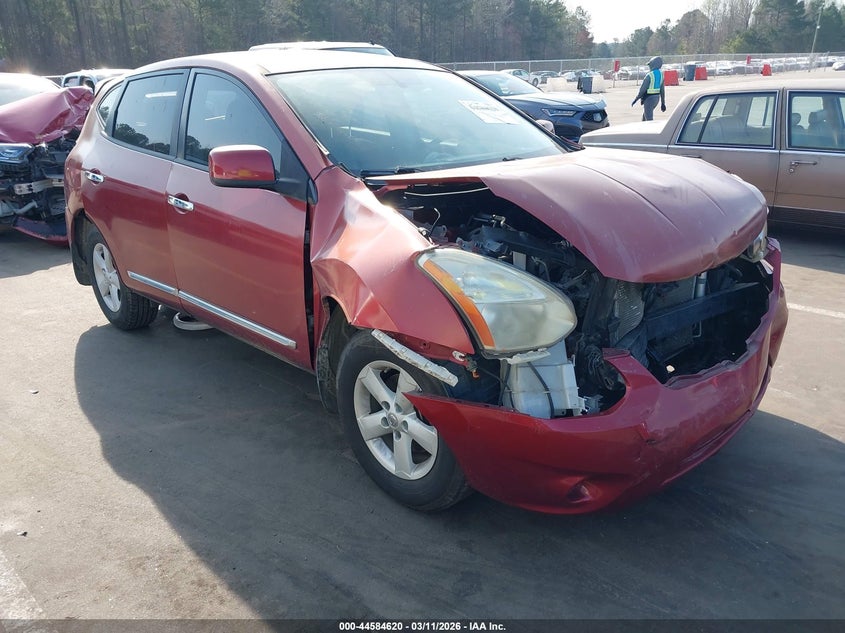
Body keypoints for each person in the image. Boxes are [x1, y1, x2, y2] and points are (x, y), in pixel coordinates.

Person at [631, 56, 666, 121]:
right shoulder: (661, 75)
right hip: (656, 98)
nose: (649, 66)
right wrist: (663, 102)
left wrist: (636, 99)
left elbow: (642, 89)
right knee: (645, 117)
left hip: (649, 99)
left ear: (653, 64)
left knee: (649, 120)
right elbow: (662, 90)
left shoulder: (649, 75)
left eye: (650, 65)